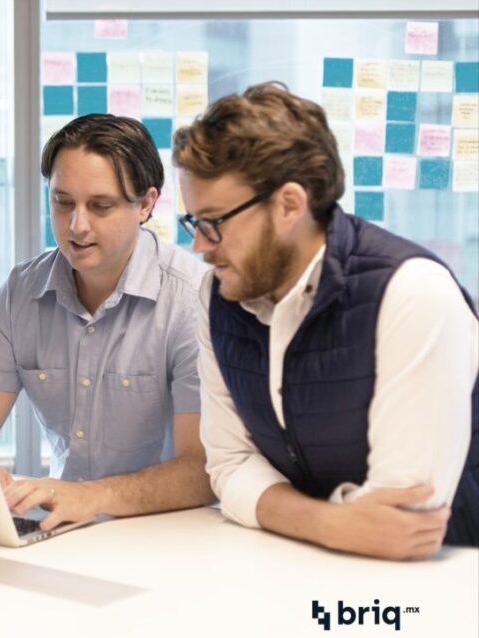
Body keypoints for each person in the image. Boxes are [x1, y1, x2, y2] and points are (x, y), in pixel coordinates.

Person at [173, 82, 478, 559]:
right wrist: (330, 523)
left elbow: (403, 519)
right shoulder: (219, 295)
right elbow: (228, 465)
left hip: (443, 578)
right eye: (193, 223)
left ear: (289, 205)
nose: (200, 246)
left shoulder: (412, 293)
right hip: (310, 565)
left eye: (213, 222)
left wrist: (276, 507)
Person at [0, 114, 215, 531]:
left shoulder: (192, 300)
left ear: (146, 204)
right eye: (62, 202)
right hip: (61, 529)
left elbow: (201, 470)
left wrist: (92, 496)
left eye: (100, 206)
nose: (77, 226)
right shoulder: (20, 294)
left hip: (169, 536)